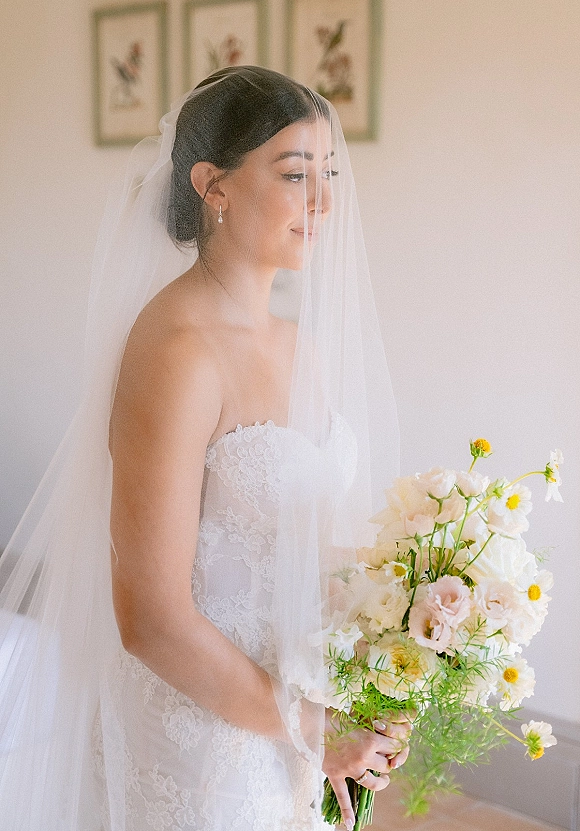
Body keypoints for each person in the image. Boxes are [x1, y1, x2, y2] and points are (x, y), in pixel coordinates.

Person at [0, 67, 402, 830]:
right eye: (294, 173)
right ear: (212, 186)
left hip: (294, 712)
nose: (322, 202)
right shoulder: (176, 350)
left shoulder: (299, 345)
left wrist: (382, 669)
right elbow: (150, 616)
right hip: (205, 743)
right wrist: (313, 727)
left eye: (329, 173)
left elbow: (310, 543)